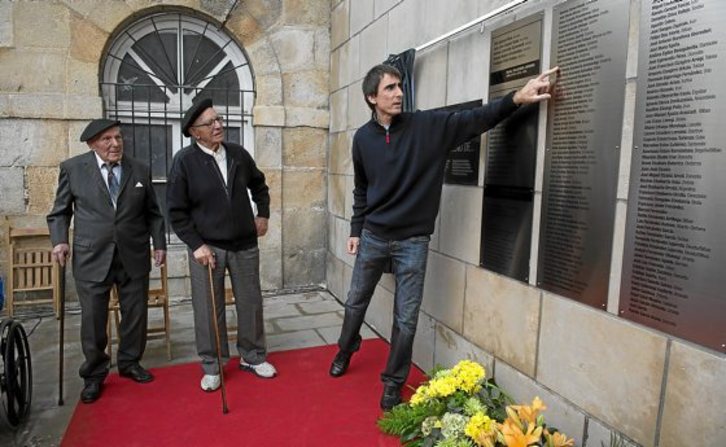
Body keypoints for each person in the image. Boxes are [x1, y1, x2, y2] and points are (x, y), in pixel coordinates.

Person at [329, 64, 559, 410]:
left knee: (406, 318)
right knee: (355, 302)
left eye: (399, 86)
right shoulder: (362, 138)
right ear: (372, 97)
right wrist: (355, 230)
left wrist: (516, 98)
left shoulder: (427, 126)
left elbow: (477, 118)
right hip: (373, 236)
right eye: (390, 88)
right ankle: (346, 348)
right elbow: (362, 188)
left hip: (413, 242)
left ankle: (393, 382)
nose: (399, 93)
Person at [47, 119, 167, 404]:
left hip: (133, 254)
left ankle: (130, 362)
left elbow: (153, 213)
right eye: (107, 139)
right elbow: (60, 212)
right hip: (91, 256)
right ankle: (94, 375)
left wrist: (159, 243)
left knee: (135, 314)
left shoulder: (139, 169)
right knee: (93, 320)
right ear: (92, 144)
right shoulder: (73, 169)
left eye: (118, 137)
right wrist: (60, 240)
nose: (115, 144)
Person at [167, 98, 276, 392]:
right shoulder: (184, 161)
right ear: (195, 132)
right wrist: (196, 245)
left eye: (218, 119)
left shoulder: (238, 154)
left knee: (251, 303)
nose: (218, 125)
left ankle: (252, 356)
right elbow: (176, 212)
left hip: (244, 243)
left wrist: (263, 214)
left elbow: (260, 185)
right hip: (208, 248)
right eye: (210, 123)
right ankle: (212, 364)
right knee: (208, 309)